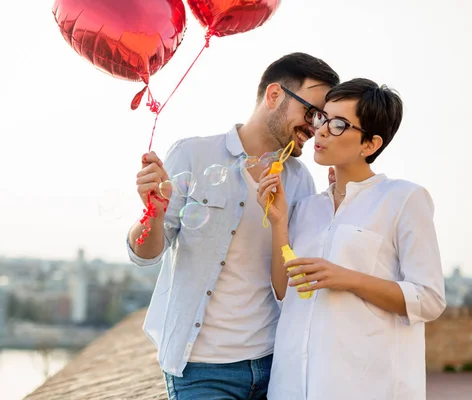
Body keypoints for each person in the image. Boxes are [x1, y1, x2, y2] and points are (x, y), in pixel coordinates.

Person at [126, 52, 340, 399]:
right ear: (274, 96)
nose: (315, 127)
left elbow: (290, 279)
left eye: (323, 119)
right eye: (311, 112)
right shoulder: (194, 155)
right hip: (201, 370)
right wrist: (154, 212)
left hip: (274, 364)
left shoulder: (301, 182)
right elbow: (146, 254)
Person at [256, 78, 447, 400]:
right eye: (323, 118)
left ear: (370, 145)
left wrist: (347, 278)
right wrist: (278, 223)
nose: (322, 130)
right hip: (292, 386)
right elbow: (283, 291)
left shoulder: (403, 198)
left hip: (366, 385)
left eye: (340, 124)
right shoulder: (305, 208)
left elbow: (429, 299)